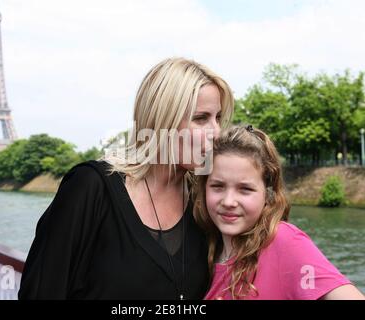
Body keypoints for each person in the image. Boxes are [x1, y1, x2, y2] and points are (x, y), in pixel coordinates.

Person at [18, 57, 235, 299]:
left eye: (218, 118)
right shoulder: (91, 186)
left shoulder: (206, 200)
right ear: (163, 119)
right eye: (201, 118)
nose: (216, 133)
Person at [194, 124, 365, 300]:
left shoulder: (283, 241)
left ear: (267, 193)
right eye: (217, 186)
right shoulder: (205, 247)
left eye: (245, 189)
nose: (229, 201)